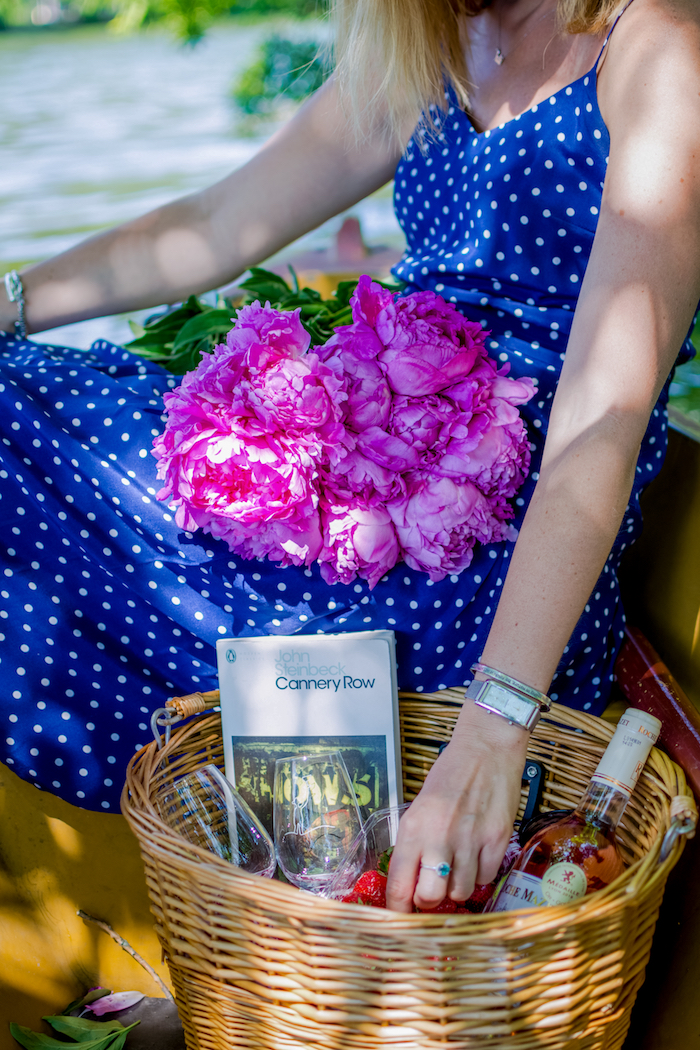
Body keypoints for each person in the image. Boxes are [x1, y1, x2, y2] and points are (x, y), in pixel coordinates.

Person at [1, 0, 698, 914]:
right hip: (371, 464)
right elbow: (216, 224)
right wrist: (9, 300)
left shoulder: (656, 43)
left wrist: (497, 724)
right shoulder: (436, 36)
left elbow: (602, 416)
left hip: (494, 553)